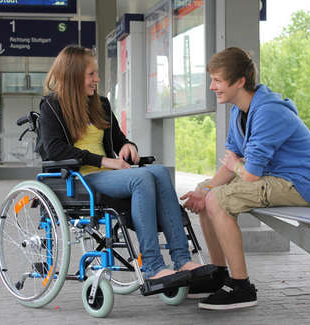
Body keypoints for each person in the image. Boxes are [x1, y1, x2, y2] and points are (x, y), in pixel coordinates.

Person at [38, 45, 214, 291]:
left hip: (108, 175)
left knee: (160, 172)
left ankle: (182, 260)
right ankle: (153, 267)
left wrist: (128, 146)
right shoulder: (52, 106)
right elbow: (54, 149)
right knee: (141, 179)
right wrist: (104, 161)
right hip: (80, 180)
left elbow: (118, 139)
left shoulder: (99, 103)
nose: (97, 79)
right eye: (91, 74)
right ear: (74, 74)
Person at [181, 47, 310, 310]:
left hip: (299, 184)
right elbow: (233, 162)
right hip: (272, 177)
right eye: (211, 80)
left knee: (218, 199)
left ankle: (241, 286)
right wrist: (207, 188)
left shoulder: (268, 111)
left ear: (239, 82)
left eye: (218, 81)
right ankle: (218, 273)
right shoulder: (240, 110)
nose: (212, 87)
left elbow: (249, 173)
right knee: (206, 191)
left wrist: (232, 170)